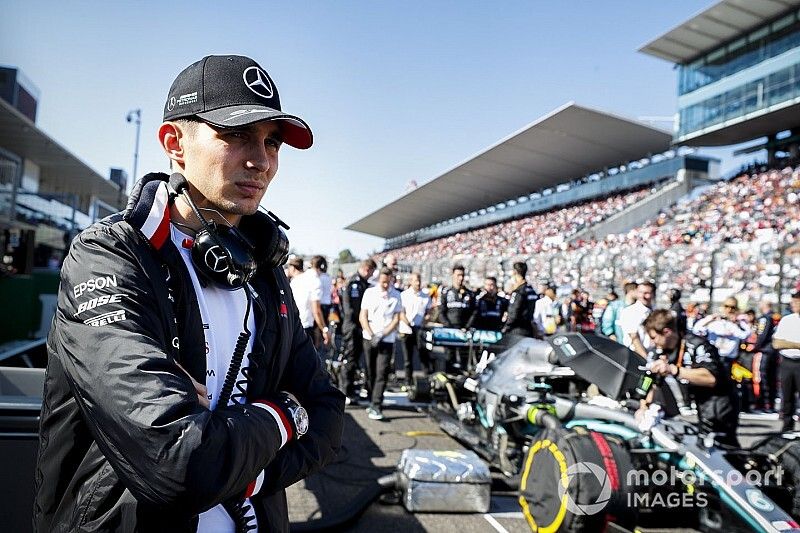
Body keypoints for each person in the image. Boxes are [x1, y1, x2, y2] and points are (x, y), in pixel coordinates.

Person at [34, 55, 344, 532]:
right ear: (174, 143)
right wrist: (284, 415)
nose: (260, 160)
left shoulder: (264, 268)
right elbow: (179, 460)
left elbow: (326, 414)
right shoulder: (109, 257)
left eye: (272, 141)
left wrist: (244, 476)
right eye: (236, 135)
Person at [641, 310, 739, 447]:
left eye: (653, 337)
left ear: (667, 331)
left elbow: (711, 378)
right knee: (700, 444)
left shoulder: (697, 344)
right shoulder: (659, 350)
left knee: (720, 446)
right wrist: (643, 407)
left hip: (718, 402)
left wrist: (673, 370)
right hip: (698, 401)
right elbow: (652, 383)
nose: (652, 342)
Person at [360, 267, 403, 420]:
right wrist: (372, 335)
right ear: (379, 280)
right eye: (383, 282)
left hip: (387, 338)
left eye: (388, 282)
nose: (385, 285)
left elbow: (396, 319)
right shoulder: (369, 293)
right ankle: (371, 399)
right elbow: (363, 316)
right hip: (369, 337)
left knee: (382, 372)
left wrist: (383, 334)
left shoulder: (396, 295)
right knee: (370, 371)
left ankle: (377, 404)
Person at [339, 259, 377, 404]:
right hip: (353, 326)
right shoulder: (355, 283)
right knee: (350, 358)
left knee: (355, 360)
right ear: (367, 269)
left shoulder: (362, 283)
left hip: (358, 326)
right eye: (372, 272)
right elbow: (353, 310)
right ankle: (345, 391)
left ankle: (350, 388)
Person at [692, 297, 751, 366]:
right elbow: (696, 329)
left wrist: (739, 321)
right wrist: (711, 319)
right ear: (723, 306)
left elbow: (745, 335)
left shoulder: (737, 323)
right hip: (712, 356)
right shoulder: (715, 320)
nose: (729, 309)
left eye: (732, 307)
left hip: (728, 359)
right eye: (727, 306)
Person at [439, 264, 475, 368]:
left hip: (464, 331)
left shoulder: (469, 294)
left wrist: (467, 326)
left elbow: (473, 312)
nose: (461, 278)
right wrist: (449, 326)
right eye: (458, 275)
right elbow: (441, 312)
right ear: (453, 275)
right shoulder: (446, 292)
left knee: (464, 359)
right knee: (449, 358)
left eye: (462, 275)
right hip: (450, 331)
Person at [773, 292, 800, 431]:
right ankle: (787, 428)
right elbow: (777, 343)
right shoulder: (787, 320)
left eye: (797, 302)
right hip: (788, 362)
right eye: (793, 302)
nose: (794, 305)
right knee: (787, 396)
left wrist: (788, 343)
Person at [399, 273, 432, 384]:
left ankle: (427, 380)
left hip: (420, 330)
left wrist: (425, 320)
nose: (418, 283)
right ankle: (408, 381)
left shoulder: (425, 296)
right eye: (415, 281)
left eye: (419, 280)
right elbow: (401, 312)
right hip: (407, 330)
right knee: (408, 359)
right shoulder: (404, 295)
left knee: (423, 355)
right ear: (410, 281)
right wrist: (408, 323)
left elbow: (428, 312)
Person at [290, 256, 329, 349]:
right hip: (305, 326)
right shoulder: (315, 281)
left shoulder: (296, 279)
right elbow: (316, 310)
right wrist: (324, 329)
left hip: (293, 324)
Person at [751, 299, 779, 412]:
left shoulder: (764, 318)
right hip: (774, 350)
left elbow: (762, 335)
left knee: (763, 377)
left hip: (765, 351)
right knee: (772, 378)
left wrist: (755, 347)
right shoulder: (776, 317)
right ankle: (770, 404)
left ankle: (764, 403)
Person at [618, 280, 655, 358]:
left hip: (652, 355)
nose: (643, 296)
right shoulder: (629, 312)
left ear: (653, 294)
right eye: (640, 292)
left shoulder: (656, 312)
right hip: (635, 356)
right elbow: (634, 338)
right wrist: (646, 360)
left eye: (646, 293)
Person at [503, 261, 538, 337]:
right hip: (529, 330)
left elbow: (513, 313)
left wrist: (506, 328)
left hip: (517, 331)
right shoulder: (531, 290)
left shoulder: (519, 292)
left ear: (515, 272)